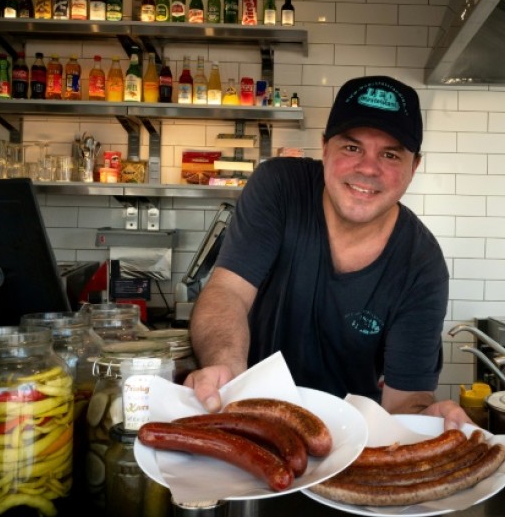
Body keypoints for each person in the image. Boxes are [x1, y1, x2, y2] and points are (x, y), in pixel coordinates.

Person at [186, 75, 470, 430]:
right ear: (324, 148)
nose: (368, 168)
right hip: (248, 420)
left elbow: (404, 402)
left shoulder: (421, 266)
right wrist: (228, 375)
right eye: (352, 148)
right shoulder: (279, 188)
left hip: (348, 447)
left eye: (390, 154)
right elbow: (228, 291)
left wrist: (422, 420)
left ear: (414, 168)